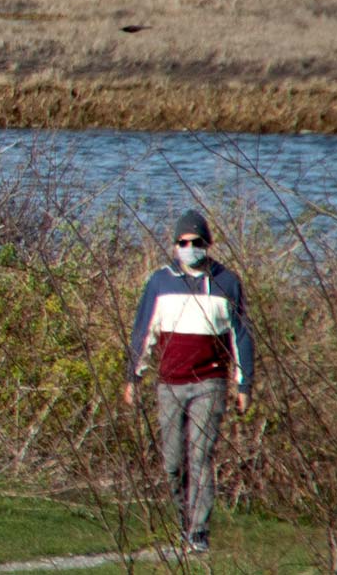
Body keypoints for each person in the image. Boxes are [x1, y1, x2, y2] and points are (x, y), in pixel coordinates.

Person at [122, 208, 256, 557]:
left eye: (196, 242)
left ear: (206, 244)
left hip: (209, 382)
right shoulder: (159, 282)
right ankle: (184, 519)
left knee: (200, 455)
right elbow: (143, 332)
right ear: (175, 245)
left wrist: (244, 385)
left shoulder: (228, 282)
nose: (189, 247)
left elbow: (241, 336)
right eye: (183, 242)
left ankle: (199, 530)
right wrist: (132, 376)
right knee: (172, 461)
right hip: (169, 383)